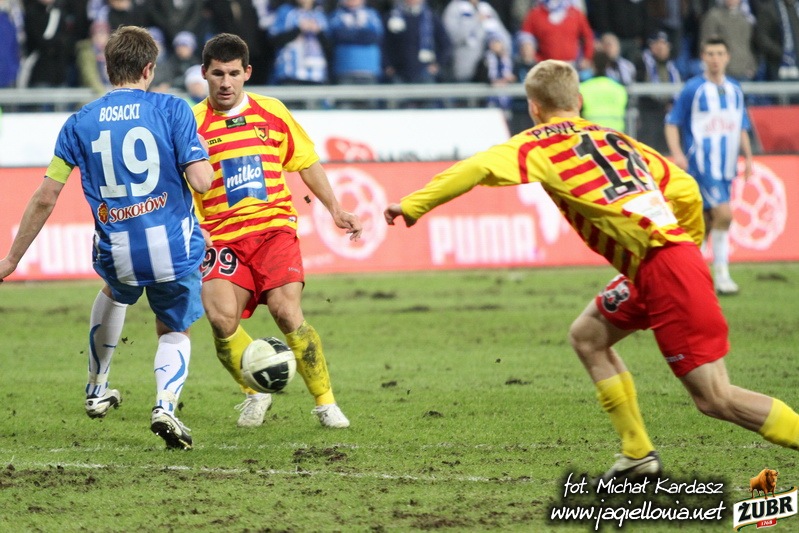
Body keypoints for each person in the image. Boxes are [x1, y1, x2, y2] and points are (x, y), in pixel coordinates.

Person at [384, 59, 799, 480]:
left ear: (534, 107)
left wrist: (413, 205)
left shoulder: (533, 145)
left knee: (715, 398)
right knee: (588, 336)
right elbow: (687, 189)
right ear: (578, 100)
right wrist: (687, 242)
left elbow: (476, 168)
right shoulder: (617, 139)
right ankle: (637, 453)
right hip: (660, 262)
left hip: (665, 269)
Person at [0, 26, 214, 450]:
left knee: (115, 293)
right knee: (174, 326)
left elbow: (46, 197)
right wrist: (199, 152)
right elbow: (202, 181)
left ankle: (97, 388)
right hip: (173, 248)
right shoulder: (174, 109)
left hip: (118, 249)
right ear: (149, 69)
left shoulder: (79, 122)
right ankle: (165, 406)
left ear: (107, 65)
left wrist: (11, 260)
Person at [193, 33, 362, 429]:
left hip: (273, 231)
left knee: (287, 311)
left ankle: (325, 403)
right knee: (221, 319)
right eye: (218, 74)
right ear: (204, 73)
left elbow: (306, 162)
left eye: (234, 73)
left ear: (247, 73)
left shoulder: (272, 112)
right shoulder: (191, 124)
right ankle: (255, 392)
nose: (226, 83)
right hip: (221, 236)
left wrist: (336, 209)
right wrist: (193, 226)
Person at [665, 37, 753, 295]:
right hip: (701, 166)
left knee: (704, 222)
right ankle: (722, 277)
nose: (715, 59)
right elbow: (672, 122)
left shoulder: (735, 89)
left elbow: (741, 126)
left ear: (727, 57)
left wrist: (748, 157)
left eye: (720, 53)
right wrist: (677, 154)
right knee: (725, 215)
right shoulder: (693, 89)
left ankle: (690, 276)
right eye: (710, 53)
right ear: (703, 57)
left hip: (727, 167)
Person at [699, 0, 757, 81]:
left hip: (744, 71)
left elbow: (749, 45)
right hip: (722, 72)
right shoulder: (713, 16)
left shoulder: (745, 19)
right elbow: (706, 43)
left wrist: (752, 67)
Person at [579, 50, 627, 132]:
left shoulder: (583, 87)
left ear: (592, 64)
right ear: (608, 65)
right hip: (616, 133)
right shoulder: (619, 88)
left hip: (592, 134)